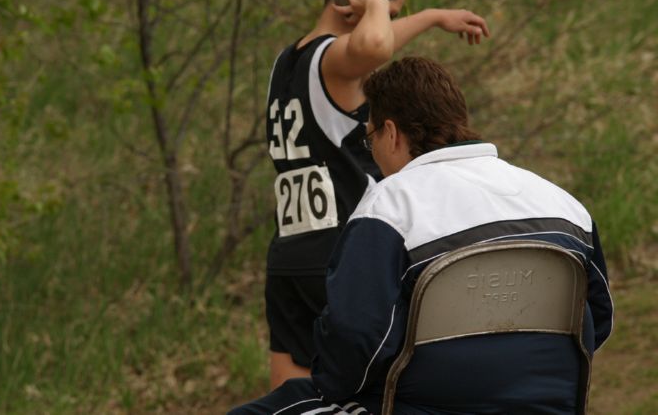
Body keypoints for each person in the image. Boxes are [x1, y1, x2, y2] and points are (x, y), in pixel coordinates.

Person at [234, 56, 614, 414]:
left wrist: (335, 383)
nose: (375, 155)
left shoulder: (390, 206)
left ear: (392, 133)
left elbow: (356, 340)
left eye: (370, 140)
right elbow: (597, 320)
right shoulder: (563, 204)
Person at [264, 0, 490, 388]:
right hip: (344, 250)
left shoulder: (288, 62)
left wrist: (429, 18)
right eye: (387, 14)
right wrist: (375, 10)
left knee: (292, 394)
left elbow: (372, 44)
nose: (387, 26)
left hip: (290, 254)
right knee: (376, 387)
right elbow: (374, 48)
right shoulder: (335, 60)